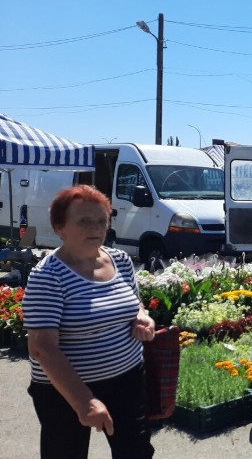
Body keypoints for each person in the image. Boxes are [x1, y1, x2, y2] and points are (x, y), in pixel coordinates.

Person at [23, 185, 156, 459]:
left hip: (128, 379)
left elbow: (135, 303)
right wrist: (84, 401)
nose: (95, 228)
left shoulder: (119, 260)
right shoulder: (48, 276)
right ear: (60, 228)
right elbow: (41, 348)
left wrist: (142, 317)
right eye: (84, 221)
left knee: (136, 452)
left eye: (101, 221)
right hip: (64, 392)